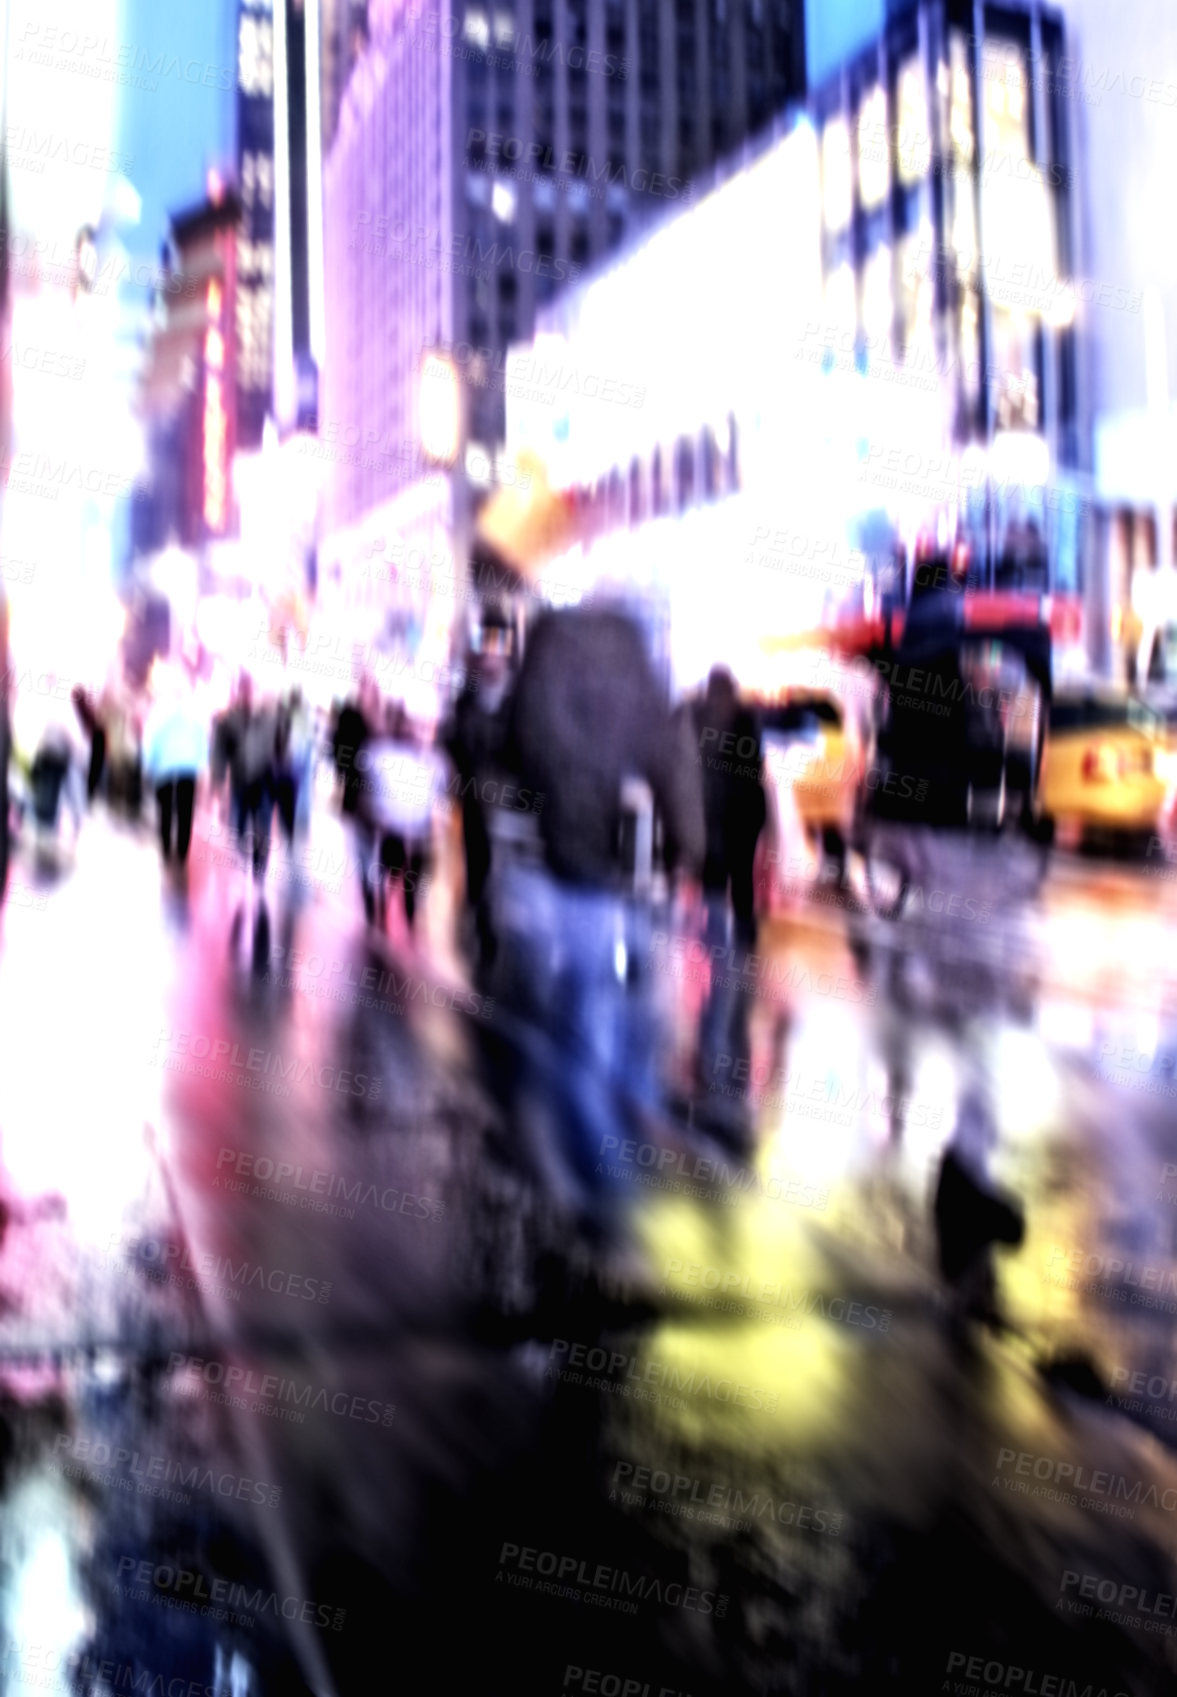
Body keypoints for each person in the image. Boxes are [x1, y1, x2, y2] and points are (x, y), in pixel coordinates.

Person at [490, 602, 705, 1245]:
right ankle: (617, 1180)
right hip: (633, 883)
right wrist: (685, 855)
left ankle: (601, 1185)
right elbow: (676, 765)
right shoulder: (642, 686)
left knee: (583, 1030)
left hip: (563, 878)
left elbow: (503, 754)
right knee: (632, 1029)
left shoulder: (542, 677)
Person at [442, 605, 514, 971]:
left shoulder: (517, 693)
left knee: (500, 862)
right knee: (478, 859)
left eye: (498, 643)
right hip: (473, 794)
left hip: (506, 797)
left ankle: (493, 921)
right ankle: (482, 920)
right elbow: (451, 737)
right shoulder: (468, 692)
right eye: (486, 642)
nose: (491, 652)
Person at [692, 666, 767, 948]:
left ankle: (714, 928)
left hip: (714, 808)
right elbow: (755, 764)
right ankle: (745, 931)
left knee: (714, 871)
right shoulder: (745, 717)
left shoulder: (700, 717)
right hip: (745, 809)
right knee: (742, 872)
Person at [361, 701, 449, 937]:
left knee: (413, 882)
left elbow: (440, 798)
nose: (415, 731)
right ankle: (377, 919)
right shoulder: (379, 753)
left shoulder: (436, 762)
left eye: (421, 726)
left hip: (419, 833)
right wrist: (377, 820)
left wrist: (436, 827)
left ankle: (409, 923)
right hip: (389, 830)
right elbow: (368, 793)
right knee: (383, 875)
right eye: (410, 724)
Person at [211, 673, 278, 882]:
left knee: (262, 825)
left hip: (266, 782)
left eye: (254, 689)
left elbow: (283, 749)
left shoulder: (270, 718)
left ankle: (259, 870)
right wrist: (218, 778)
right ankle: (241, 861)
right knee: (237, 826)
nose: (250, 694)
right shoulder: (229, 719)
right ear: (240, 692)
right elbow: (220, 750)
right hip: (240, 780)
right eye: (246, 689)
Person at [141, 665, 209, 868]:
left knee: (165, 810)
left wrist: (147, 765)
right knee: (185, 810)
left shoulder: (159, 712)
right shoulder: (196, 712)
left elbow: (150, 740)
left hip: (164, 768)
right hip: (188, 767)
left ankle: (165, 849)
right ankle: (181, 851)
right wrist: (203, 765)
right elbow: (203, 742)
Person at [331, 678, 378, 922]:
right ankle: (368, 888)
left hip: (379, 794)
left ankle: (374, 885)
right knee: (361, 841)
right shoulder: (351, 715)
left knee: (375, 843)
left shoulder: (383, 719)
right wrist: (344, 773)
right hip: (355, 787)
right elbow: (337, 744)